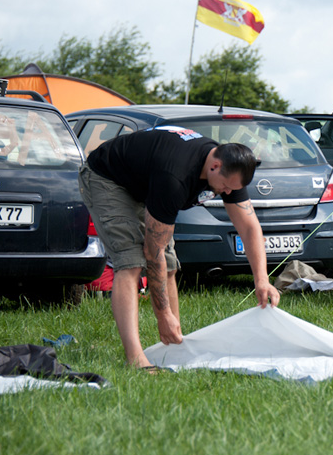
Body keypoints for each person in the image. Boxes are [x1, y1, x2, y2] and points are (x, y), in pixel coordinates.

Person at [78, 125, 280, 371]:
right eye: (225, 186)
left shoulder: (232, 170)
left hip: (146, 184)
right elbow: (153, 254)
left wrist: (261, 280)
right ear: (214, 166)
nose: (227, 193)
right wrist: (162, 316)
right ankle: (136, 359)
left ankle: (175, 344)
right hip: (108, 179)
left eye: (232, 189)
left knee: (170, 266)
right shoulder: (176, 176)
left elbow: (249, 227)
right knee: (131, 262)